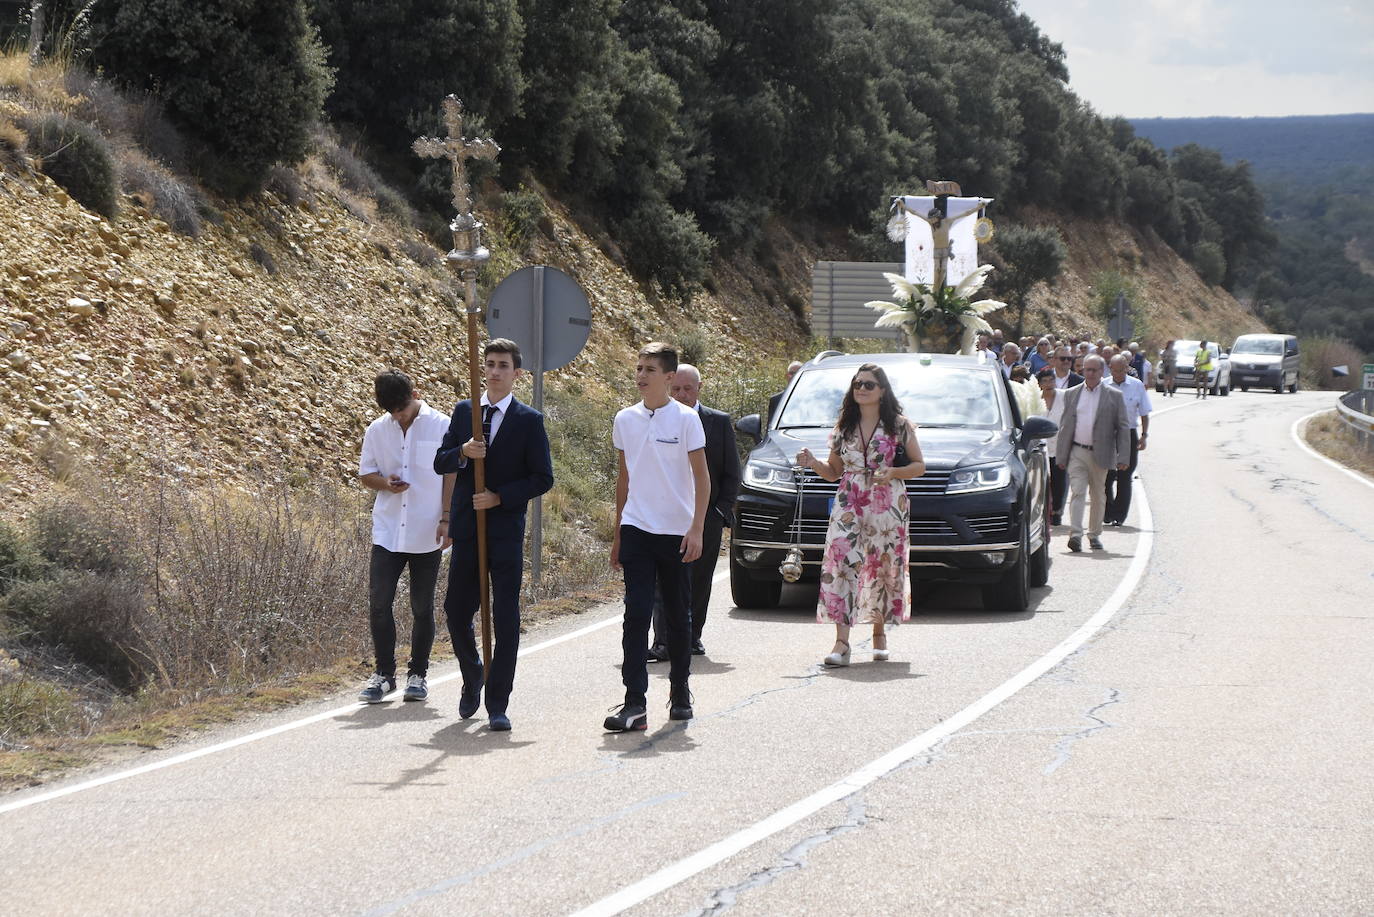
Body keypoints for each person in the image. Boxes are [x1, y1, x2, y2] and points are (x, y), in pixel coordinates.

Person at [434, 339, 554, 732]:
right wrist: (463, 453)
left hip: (504, 533)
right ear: (482, 370)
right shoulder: (465, 411)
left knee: (505, 617)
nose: (496, 371)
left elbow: (542, 478)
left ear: (517, 373)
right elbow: (440, 461)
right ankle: (473, 676)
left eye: (504, 365)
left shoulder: (528, 420)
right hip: (468, 531)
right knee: (455, 610)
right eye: (490, 364)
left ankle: (498, 701)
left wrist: (500, 496)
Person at [605, 343, 711, 732]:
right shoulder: (625, 419)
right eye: (638, 367)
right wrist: (618, 533)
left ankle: (680, 691)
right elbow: (624, 477)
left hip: (676, 532)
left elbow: (702, 477)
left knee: (677, 618)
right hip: (636, 528)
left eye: (649, 369)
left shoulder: (686, 420)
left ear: (669, 377)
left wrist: (696, 527)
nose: (641, 375)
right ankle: (634, 702)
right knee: (634, 617)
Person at [796, 363, 925, 666]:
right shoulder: (843, 426)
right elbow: (832, 473)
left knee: (882, 566)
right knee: (842, 564)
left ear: (882, 391)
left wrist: (893, 470)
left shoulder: (900, 425)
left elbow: (919, 466)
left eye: (868, 385)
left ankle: (879, 634)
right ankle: (842, 643)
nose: (861, 389)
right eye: (857, 384)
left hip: (887, 502)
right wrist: (813, 462)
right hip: (849, 502)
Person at [356, 370, 455, 703]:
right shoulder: (376, 430)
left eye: (403, 408)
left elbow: (451, 475)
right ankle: (384, 674)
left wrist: (446, 517)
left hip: (427, 529)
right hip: (387, 530)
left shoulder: (442, 424)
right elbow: (366, 473)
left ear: (415, 393)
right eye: (393, 411)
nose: (399, 416)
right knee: (379, 604)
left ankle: (418, 674)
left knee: (421, 607)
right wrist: (386, 483)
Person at [647, 364, 741, 660]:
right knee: (663, 580)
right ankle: (662, 641)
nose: (682, 394)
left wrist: (718, 512)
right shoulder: (656, 420)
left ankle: (692, 636)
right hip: (664, 515)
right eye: (676, 389)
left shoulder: (718, 422)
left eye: (688, 389)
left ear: (699, 388)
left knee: (699, 580)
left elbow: (731, 473)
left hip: (705, 517)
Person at [1054, 355, 1130, 553]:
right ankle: (1076, 535)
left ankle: (1094, 535)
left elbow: (1123, 428)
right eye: (1087, 369)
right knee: (1078, 491)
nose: (1090, 373)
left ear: (1102, 372)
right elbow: (1065, 427)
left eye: (1094, 370)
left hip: (1101, 453)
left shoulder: (1114, 396)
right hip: (1077, 451)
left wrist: (1123, 457)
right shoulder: (1071, 394)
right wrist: (1061, 456)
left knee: (1098, 495)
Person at [1104, 354, 1153, 527]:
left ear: (1127, 368)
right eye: (1115, 370)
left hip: (1129, 433)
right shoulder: (1103, 385)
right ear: (1110, 368)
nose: (1118, 374)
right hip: (1108, 434)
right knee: (1106, 475)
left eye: (1121, 370)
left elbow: (1144, 412)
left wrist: (1144, 436)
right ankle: (1107, 512)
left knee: (1125, 475)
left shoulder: (1136, 385)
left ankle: (1119, 514)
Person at [1036, 368, 1067, 526]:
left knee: (1059, 481)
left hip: (1060, 446)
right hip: (1040, 448)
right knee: (1042, 483)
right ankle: (1042, 512)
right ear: (1039, 383)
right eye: (1045, 381)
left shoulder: (1064, 396)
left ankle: (1057, 512)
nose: (1049, 384)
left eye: (1051, 380)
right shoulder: (1034, 398)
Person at [767, 360, 804, 427]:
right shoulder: (776, 400)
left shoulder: (812, 398)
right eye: (791, 373)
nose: (794, 376)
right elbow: (770, 427)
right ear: (787, 375)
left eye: (798, 373)